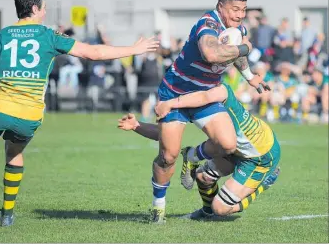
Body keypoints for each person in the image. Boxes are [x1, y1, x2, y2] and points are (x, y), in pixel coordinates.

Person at [0, 0, 159, 227]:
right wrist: (134, 49)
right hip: (30, 117)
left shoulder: (0, 36)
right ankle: (7, 214)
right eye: (44, 8)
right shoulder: (49, 36)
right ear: (35, 8)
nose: (45, 13)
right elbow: (94, 53)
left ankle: (6, 215)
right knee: (14, 153)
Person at [150, 0, 270, 223]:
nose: (239, 15)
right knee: (167, 156)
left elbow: (236, 55)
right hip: (176, 92)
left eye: (243, 9)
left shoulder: (237, 27)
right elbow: (212, 54)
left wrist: (250, 77)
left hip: (205, 94)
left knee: (227, 144)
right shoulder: (208, 24)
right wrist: (247, 46)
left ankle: (193, 156)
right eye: (235, 9)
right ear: (220, 5)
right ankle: (158, 208)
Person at [118, 82, 280, 219]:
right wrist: (136, 126)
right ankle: (207, 212)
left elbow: (205, 97)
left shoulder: (218, 90)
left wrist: (171, 103)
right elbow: (165, 136)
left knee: (221, 208)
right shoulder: (186, 100)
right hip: (232, 148)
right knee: (203, 177)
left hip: (259, 155)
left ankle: (263, 184)